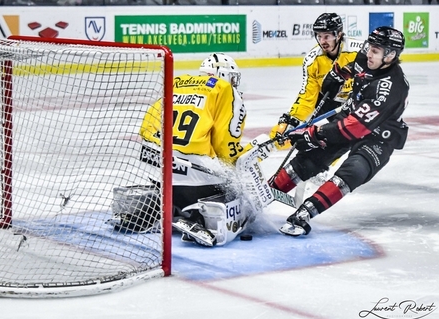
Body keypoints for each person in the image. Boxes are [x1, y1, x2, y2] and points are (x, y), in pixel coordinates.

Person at [268, 26, 409, 237]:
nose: (369, 53)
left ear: (390, 55)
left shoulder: (391, 87)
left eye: (376, 50)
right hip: (353, 117)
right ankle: (266, 192)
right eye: (370, 47)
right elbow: (355, 66)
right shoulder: (366, 57)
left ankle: (306, 213)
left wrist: (314, 134)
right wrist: (338, 74)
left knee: (352, 172)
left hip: (379, 135)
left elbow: (354, 127)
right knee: (309, 159)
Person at [112, 53, 248, 247]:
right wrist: (234, 172)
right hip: (197, 183)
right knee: (235, 189)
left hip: (162, 178)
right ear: (223, 74)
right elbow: (225, 146)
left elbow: (146, 129)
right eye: (232, 77)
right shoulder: (225, 91)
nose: (234, 82)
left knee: (173, 174)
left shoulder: (178, 83)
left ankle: (157, 210)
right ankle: (198, 218)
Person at [270, 13, 362, 150]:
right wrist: (293, 119)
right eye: (319, 36)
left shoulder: (359, 50)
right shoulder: (312, 60)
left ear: (339, 35)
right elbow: (308, 96)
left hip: (359, 102)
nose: (322, 41)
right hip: (332, 102)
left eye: (327, 36)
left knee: (356, 138)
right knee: (336, 137)